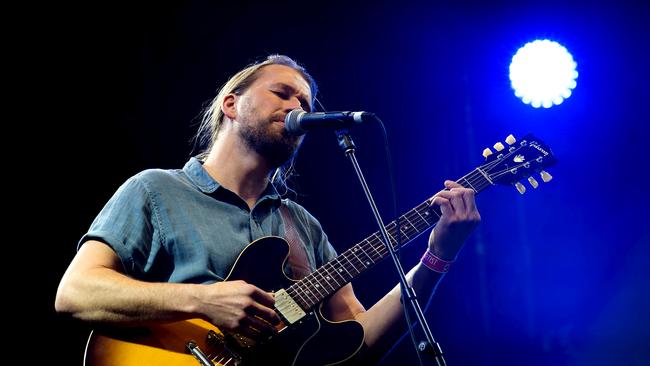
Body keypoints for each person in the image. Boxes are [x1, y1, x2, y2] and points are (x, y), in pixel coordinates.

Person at [55, 54, 481, 365]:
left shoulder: (303, 227)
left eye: (306, 104)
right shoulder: (156, 190)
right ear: (231, 104)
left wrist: (438, 256)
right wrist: (205, 300)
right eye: (282, 93)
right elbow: (74, 293)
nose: (298, 107)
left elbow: (361, 342)